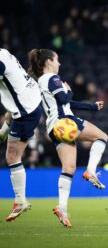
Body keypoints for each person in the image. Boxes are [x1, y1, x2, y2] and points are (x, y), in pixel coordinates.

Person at [28, 49, 108, 228]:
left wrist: (91, 106)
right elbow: (65, 97)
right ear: (48, 61)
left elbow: (64, 102)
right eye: (57, 60)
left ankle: (62, 208)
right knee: (102, 137)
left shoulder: (41, 81)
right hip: (65, 122)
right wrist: (68, 90)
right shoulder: (52, 78)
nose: (59, 63)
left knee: (69, 168)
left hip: (53, 128)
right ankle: (91, 170)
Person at [0, 48, 42, 221]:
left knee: (12, 156)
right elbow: (13, 86)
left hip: (27, 111)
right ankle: (20, 200)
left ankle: (20, 201)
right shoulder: (3, 52)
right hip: (27, 103)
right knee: (11, 152)